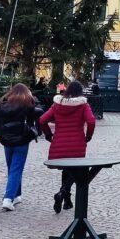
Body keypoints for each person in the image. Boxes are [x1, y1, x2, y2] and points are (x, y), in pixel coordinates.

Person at [39, 81, 96, 213]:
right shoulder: (83, 105)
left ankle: (67, 201)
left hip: (59, 142)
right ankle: (63, 192)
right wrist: (88, 136)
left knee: (67, 169)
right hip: (77, 144)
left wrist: (48, 134)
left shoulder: (57, 104)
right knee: (74, 170)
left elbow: (42, 120)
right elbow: (91, 121)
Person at [0, 83, 39, 211]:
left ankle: (16, 195)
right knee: (16, 168)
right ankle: (8, 198)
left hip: (7, 138)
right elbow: (37, 112)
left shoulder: (3, 105)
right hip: (21, 138)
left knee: (12, 168)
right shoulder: (27, 105)